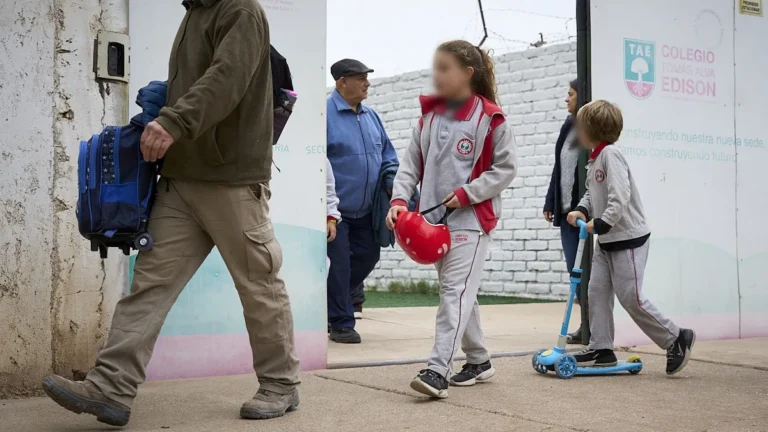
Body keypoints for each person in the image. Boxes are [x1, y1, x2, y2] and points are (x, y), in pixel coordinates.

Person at [41, 0, 301, 426]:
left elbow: (227, 78)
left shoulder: (240, 10)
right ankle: (111, 388)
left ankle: (280, 385)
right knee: (149, 286)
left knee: (259, 286)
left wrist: (175, 120)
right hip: (181, 178)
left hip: (231, 180)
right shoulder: (195, 12)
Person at [387, 40, 517, 399]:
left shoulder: (490, 118)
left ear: (468, 74)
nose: (437, 75)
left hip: (471, 222)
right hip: (431, 225)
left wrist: (467, 193)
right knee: (461, 294)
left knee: (454, 293)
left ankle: (437, 370)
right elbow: (410, 163)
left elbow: (506, 169)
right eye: (435, 68)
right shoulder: (429, 116)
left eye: (444, 68)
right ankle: (478, 360)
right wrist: (399, 199)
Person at [566, 100, 695, 374]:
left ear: (593, 129)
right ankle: (602, 348)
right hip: (607, 240)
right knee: (597, 292)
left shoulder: (611, 155)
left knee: (631, 297)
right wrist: (581, 209)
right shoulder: (595, 157)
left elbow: (620, 195)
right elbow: (594, 193)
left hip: (628, 238)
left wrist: (601, 222)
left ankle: (676, 337)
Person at [326, 59, 399, 343]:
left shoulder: (371, 117)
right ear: (342, 82)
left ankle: (334, 300)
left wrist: (393, 183)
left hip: (368, 211)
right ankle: (341, 323)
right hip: (336, 212)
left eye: (366, 77)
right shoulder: (324, 115)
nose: (366, 83)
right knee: (340, 264)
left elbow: (388, 158)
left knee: (369, 256)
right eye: (360, 78)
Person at [543, 80, 587, 344]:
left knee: (588, 273)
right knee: (575, 270)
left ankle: (593, 326)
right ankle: (586, 324)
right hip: (567, 214)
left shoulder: (592, 128)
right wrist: (551, 202)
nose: (566, 99)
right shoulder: (568, 126)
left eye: (570, 94)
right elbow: (558, 167)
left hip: (586, 215)